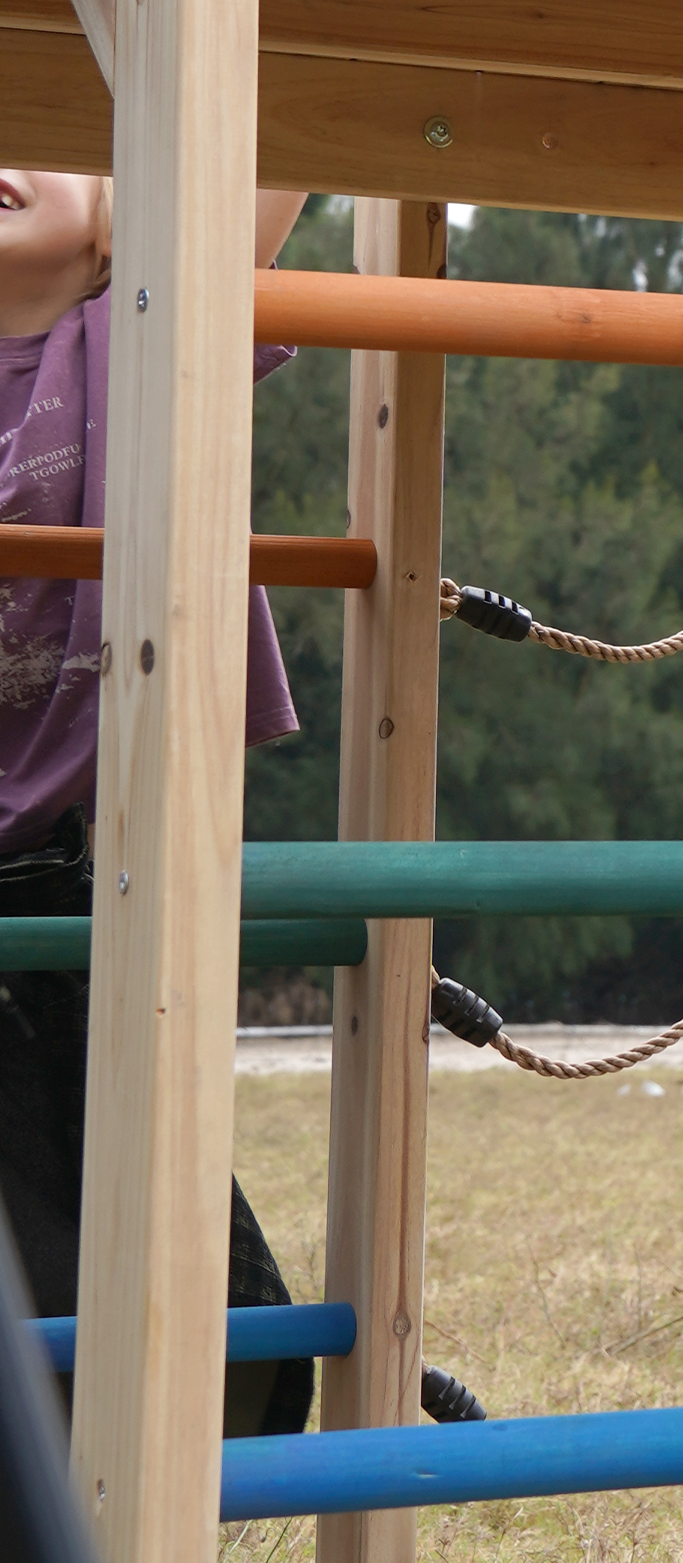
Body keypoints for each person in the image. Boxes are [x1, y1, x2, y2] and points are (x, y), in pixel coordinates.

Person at [0, 169, 315, 1439]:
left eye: (52, 127)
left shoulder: (138, 329)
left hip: (75, 893)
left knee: (139, 1287)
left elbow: (271, 126)